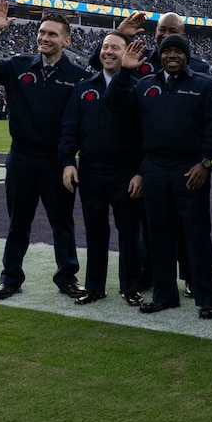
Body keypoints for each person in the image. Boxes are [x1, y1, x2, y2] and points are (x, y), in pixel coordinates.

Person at [0, 0, 90, 301]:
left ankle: (67, 277)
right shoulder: (18, 66)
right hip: (21, 156)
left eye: (52, 34)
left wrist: (70, 158)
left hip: (57, 160)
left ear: (66, 40)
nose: (45, 38)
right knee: (17, 221)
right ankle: (10, 278)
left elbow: (80, 124)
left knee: (62, 222)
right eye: (42, 32)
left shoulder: (78, 77)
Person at [104, 33, 212, 318]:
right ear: (159, 55)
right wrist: (124, 71)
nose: (172, 56)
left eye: (178, 52)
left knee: (197, 235)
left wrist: (205, 162)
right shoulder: (145, 85)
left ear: (187, 56)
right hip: (155, 170)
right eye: (166, 51)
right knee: (159, 236)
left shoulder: (204, 85)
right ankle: (164, 295)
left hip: (190, 169)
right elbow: (113, 104)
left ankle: (207, 297)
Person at [59, 31, 145, 307]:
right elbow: (69, 129)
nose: (108, 52)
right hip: (92, 169)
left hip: (126, 170)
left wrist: (140, 171)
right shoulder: (84, 88)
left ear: (127, 53)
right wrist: (68, 162)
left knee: (130, 232)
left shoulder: (140, 87)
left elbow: (149, 134)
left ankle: (131, 287)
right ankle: (94, 286)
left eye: (115, 48)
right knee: (95, 231)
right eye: (105, 47)